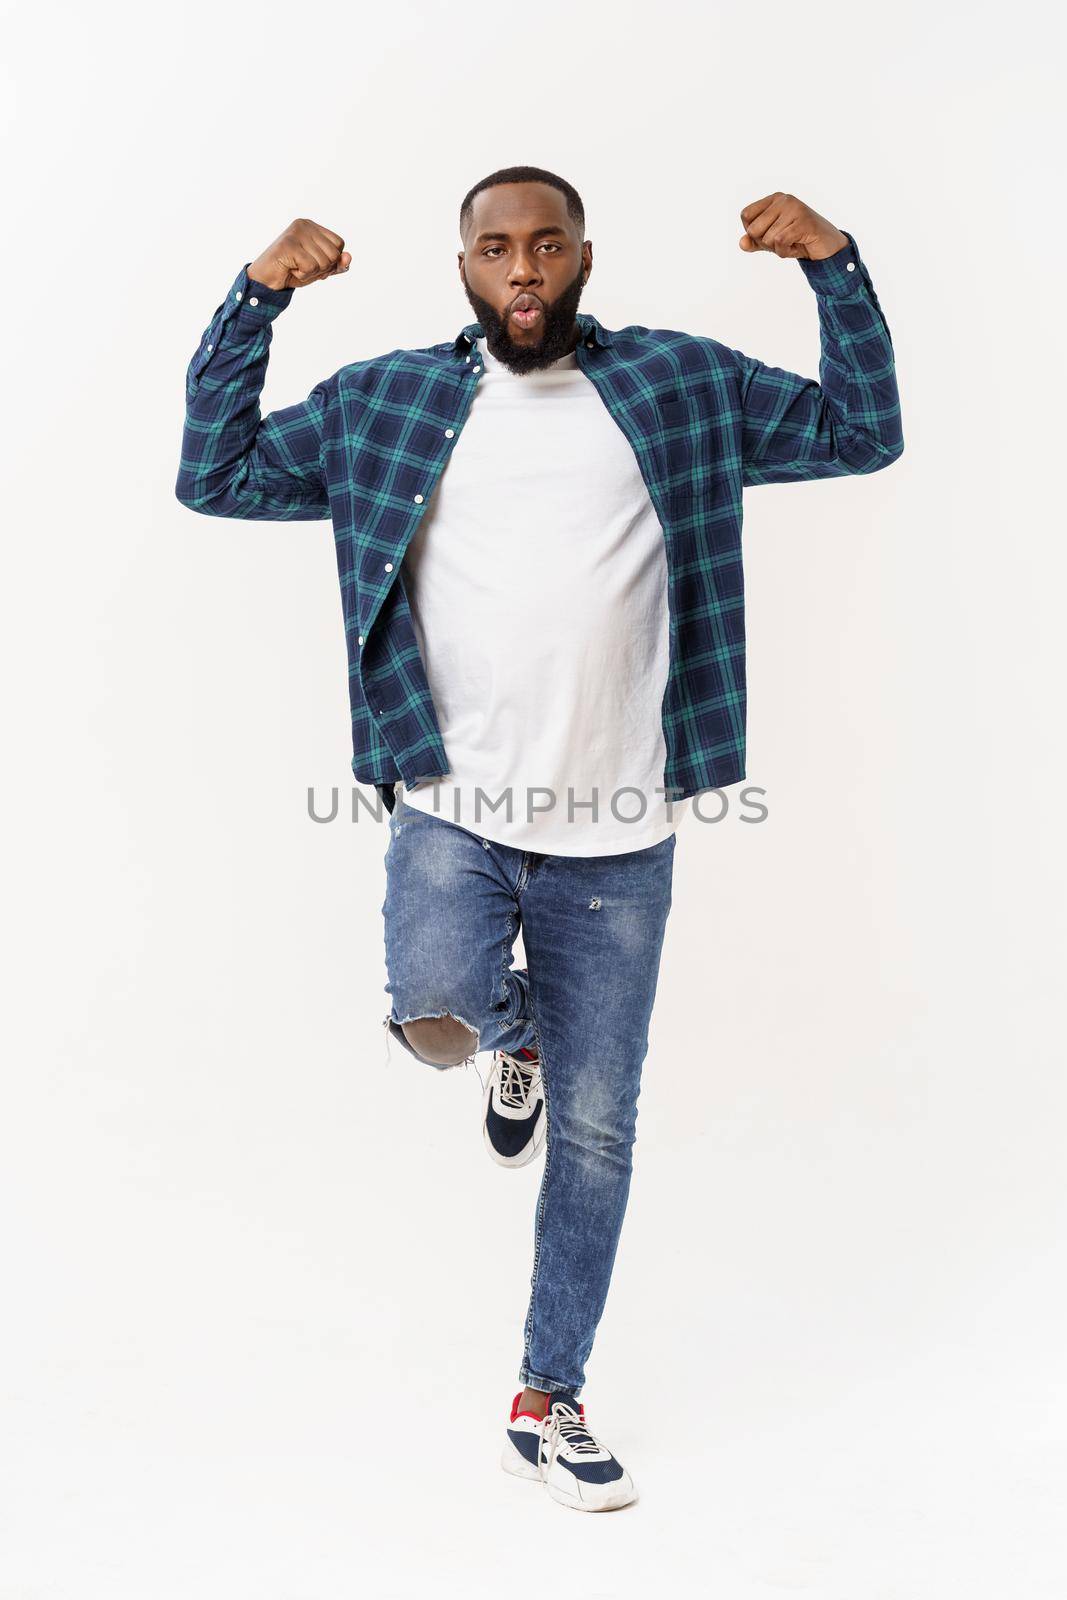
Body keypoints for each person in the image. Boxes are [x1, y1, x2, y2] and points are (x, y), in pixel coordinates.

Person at [175, 166, 903, 1512]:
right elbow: (212, 475)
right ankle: (511, 1043)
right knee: (437, 1004)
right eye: (496, 247)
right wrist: (255, 297)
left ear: (581, 257)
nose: (523, 268)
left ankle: (548, 1391)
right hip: (451, 804)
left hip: (620, 829)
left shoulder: (684, 385)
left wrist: (834, 265)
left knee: (602, 1131)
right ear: (463, 262)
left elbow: (862, 432)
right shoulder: (389, 400)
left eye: (546, 245)